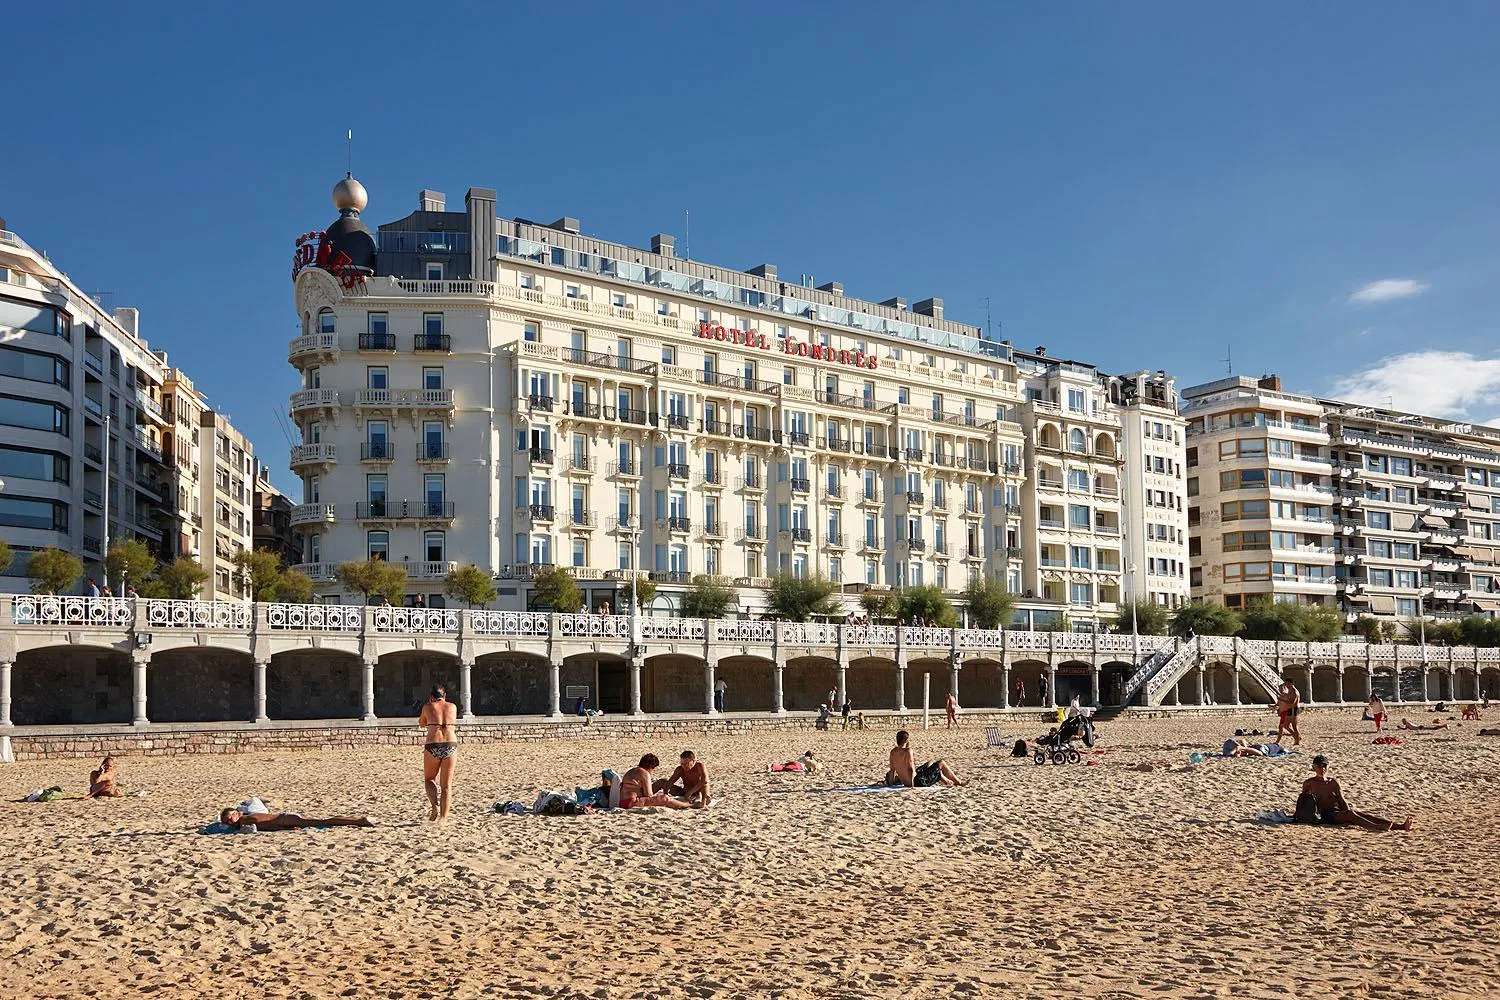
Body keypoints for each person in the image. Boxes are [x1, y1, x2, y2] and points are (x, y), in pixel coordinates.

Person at [1295, 754, 1411, 831]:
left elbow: (1341, 799)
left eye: (1325, 766)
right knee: (1351, 815)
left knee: (1362, 815)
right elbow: (1303, 801)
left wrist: (1347, 811)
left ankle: (1400, 826)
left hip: (1336, 812)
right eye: (1319, 766)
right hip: (1325, 815)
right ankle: (1375, 827)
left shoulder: (1333, 782)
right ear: (1314, 768)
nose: (1322, 769)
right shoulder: (1309, 783)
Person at [418, 684, 458, 821]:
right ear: (444, 695)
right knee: (446, 785)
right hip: (450, 745)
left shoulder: (427, 707)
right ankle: (443, 819)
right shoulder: (452, 707)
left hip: (433, 744)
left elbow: (422, 723)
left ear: (431, 697)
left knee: (429, 779)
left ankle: (434, 805)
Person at [884, 730, 965, 788]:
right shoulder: (908, 751)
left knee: (930, 763)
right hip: (917, 781)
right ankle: (959, 782)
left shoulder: (893, 752)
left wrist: (890, 785)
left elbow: (892, 770)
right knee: (941, 762)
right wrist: (912, 786)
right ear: (906, 740)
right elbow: (910, 769)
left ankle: (947, 781)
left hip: (906, 782)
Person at [619, 754, 696, 809]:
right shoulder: (644, 773)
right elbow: (648, 795)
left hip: (623, 802)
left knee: (661, 784)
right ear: (651, 767)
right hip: (633, 802)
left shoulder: (633, 771)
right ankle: (689, 805)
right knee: (665, 798)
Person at [220, 808, 373, 831]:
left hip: (285, 820)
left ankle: (358, 821)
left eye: (229, 818)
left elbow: (267, 825)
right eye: (226, 822)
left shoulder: (244, 820)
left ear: (236, 813)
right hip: (285, 819)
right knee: (323, 821)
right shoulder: (246, 818)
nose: (229, 822)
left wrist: (286, 829)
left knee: (323, 822)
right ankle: (357, 821)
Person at [1275, 680, 1302, 746]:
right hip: (1289, 710)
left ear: (1290, 684)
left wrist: (1281, 700)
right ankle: (1296, 737)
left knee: (1294, 726)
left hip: (1294, 710)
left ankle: (1297, 741)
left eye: (1286, 683)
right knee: (1285, 725)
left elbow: (1292, 703)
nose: (1285, 685)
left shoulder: (1294, 692)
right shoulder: (1289, 691)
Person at [1222, 738, 1291, 758]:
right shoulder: (1278, 748)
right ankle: (1240, 749)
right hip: (1264, 749)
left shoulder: (1273, 746)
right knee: (1261, 754)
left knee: (1248, 752)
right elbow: (1286, 751)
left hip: (1258, 746)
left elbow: (1243, 740)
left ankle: (1239, 750)